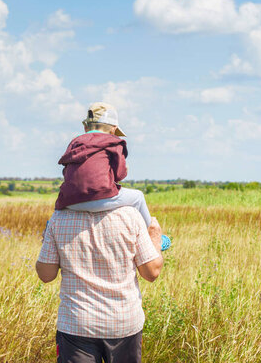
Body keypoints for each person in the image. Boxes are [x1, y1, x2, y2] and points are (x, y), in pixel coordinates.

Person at [36, 207, 164, 363]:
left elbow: (46, 275)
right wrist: (155, 240)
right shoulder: (131, 215)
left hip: (76, 323)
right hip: (123, 322)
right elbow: (151, 273)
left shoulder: (59, 218)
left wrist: (48, 243)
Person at [54, 102, 152, 228]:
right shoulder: (113, 142)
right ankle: (152, 234)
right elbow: (119, 175)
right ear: (113, 129)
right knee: (138, 197)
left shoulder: (74, 143)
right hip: (100, 198)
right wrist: (125, 170)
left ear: (85, 128)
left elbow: (66, 172)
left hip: (69, 201)